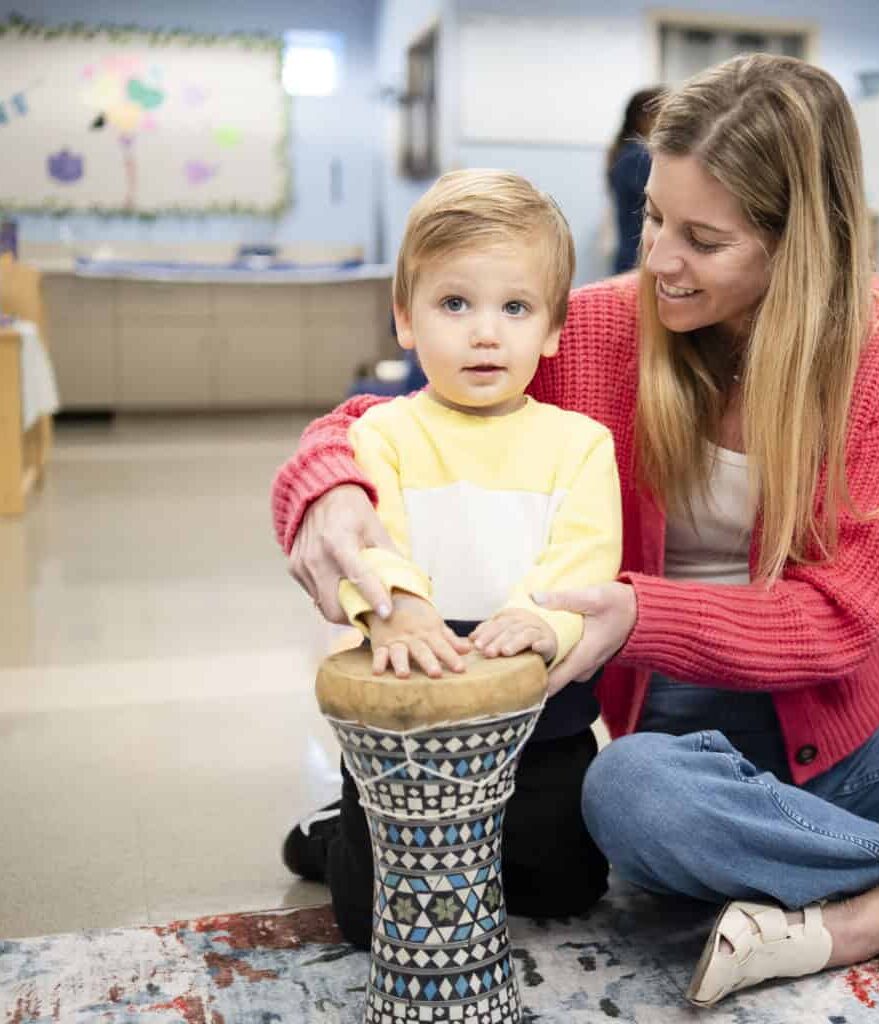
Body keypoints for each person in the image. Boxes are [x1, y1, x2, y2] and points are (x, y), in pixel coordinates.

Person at [273, 56, 879, 1007]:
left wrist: (634, 613)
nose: (658, 259)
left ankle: (868, 916)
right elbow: (385, 421)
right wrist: (328, 489)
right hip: (682, 760)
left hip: (853, 751)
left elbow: (848, 620)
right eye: (655, 217)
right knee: (627, 796)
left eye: (702, 237)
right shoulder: (605, 328)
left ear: (797, 243)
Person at [281, 168, 622, 946]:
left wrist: (537, 621)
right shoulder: (382, 435)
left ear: (554, 327)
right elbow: (376, 540)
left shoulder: (579, 443)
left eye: (515, 308)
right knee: (372, 922)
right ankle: (345, 830)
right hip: (410, 710)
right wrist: (398, 608)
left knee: (563, 888)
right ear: (406, 319)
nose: (485, 333)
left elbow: (586, 555)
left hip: (541, 716)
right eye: (454, 304)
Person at [607, 87, 665, 274]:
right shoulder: (637, 158)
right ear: (644, 118)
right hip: (635, 261)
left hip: (633, 257)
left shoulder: (626, 154)